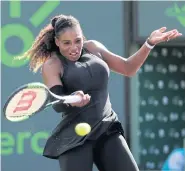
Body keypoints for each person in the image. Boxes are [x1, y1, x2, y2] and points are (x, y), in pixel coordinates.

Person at [20, 14, 182, 171]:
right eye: (66, 43)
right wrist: (72, 99)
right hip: (75, 138)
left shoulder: (93, 48)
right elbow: (58, 103)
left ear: (82, 36)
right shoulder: (52, 64)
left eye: (77, 40)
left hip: (107, 129)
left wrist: (149, 44)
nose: (74, 48)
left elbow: (128, 68)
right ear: (57, 42)